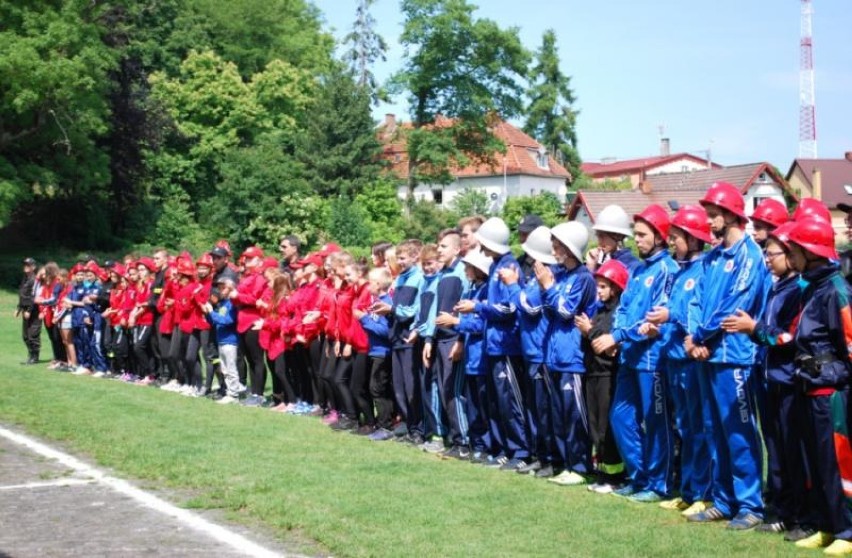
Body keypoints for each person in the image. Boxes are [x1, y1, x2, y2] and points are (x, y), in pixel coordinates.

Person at [720, 222, 812, 539]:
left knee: (792, 450)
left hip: (790, 382)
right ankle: (781, 510)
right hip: (770, 377)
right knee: (775, 447)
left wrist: (754, 329)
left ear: (790, 255)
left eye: (772, 253)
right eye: (767, 252)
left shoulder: (798, 291)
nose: (767, 258)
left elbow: (789, 337)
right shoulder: (775, 287)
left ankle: (801, 517)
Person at [686, 182, 769, 530]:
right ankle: (723, 500)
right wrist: (692, 337)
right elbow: (695, 300)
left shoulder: (750, 257)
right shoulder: (711, 257)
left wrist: (702, 335)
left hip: (735, 357)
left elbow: (735, 304)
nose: (708, 221)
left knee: (738, 431)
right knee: (713, 429)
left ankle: (751, 505)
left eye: (713, 214)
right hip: (707, 355)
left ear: (732, 214)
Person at [593, 204, 679, 503]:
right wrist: (617, 334)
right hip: (631, 356)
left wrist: (618, 335)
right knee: (620, 417)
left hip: (653, 360)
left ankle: (659, 484)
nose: (637, 239)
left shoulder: (668, 270)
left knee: (656, 423)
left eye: (643, 235)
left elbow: (654, 319)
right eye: (637, 234)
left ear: (660, 237)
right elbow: (624, 308)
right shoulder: (640, 270)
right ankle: (639, 476)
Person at [782, 218, 852, 554]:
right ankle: (826, 525)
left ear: (810, 252)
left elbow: (848, 346)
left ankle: (847, 531)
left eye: (792, 250)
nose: (788, 256)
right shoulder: (812, 288)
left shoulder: (837, 289)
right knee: (817, 464)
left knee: (838, 464)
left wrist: (829, 377)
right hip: (807, 389)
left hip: (830, 395)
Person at [645, 205, 714, 514]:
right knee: (683, 427)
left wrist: (670, 315)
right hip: (672, 358)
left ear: (694, 239)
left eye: (676, 237)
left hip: (691, 362)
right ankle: (687, 490)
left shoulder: (703, 270)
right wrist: (657, 324)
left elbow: (700, 313)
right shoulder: (680, 271)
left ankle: (703, 492)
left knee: (699, 428)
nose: (671, 242)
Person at [456, 217, 528, 470]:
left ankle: (520, 452)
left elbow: (509, 308)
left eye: (485, 244)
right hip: (495, 345)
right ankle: (503, 449)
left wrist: (477, 306)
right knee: (498, 403)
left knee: (511, 402)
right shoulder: (498, 265)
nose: (482, 249)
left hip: (508, 346)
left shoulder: (509, 267)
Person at [537, 221, 598, 486]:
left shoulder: (583, 278)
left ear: (570, 247)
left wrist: (548, 287)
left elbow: (564, 311)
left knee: (574, 415)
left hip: (572, 357)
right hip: (554, 355)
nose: (553, 248)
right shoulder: (561, 275)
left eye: (558, 244)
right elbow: (549, 309)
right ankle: (566, 463)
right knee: (559, 415)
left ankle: (581, 465)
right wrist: (549, 289)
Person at [576, 259, 628, 493]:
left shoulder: (617, 313)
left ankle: (615, 477)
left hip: (608, 374)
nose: (598, 291)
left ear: (616, 288)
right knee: (596, 425)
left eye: (603, 286)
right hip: (593, 372)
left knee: (607, 426)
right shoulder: (598, 311)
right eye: (597, 286)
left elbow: (608, 345)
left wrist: (590, 330)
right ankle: (602, 472)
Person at [427, 229, 470, 459]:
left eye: (443, 246)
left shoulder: (463, 272)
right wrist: (429, 339)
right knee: (444, 390)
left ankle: (463, 442)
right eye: (438, 246)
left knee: (454, 391)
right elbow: (435, 308)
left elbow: (467, 307)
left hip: (455, 338)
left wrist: (461, 339)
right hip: (440, 339)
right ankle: (452, 438)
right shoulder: (442, 274)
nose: (439, 250)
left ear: (457, 249)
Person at [361, 267, 395, 441]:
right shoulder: (376, 301)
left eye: (370, 283)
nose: (367, 286)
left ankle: (385, 426)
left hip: (383, 353)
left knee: (378, 389)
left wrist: (363, 319)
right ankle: (383, 425)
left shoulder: (386, 303)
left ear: (379, 284)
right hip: (374, 351)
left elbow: (386, 332)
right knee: (375, 388)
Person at [204, 278, 245, 404]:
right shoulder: (223, 304)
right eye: (220, 288)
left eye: (224, 287)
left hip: (230, 340)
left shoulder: (232, 304)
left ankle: (234, 395)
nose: (220, 290)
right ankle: (229, 392)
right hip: (221, 339)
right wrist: (208, 313)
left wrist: (212, 312)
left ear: (231, 288)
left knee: (231, 368)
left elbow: (227, 321)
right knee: (225, 369)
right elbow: (215, 322)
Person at [586, 205, 640, 274]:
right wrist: (591, 267)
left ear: (617, 236)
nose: (599, 242)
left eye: (602, 236)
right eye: (598, 236)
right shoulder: (603, 262)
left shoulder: (631, 266)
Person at [17, 257, 41, 365]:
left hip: (34, 311)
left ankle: (34, 357)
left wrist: (29, 310)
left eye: (28, 265)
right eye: (25, 265)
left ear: (33, 267)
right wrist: (18, 308)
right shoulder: (25, 278)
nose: (26, 266)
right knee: (25, 335)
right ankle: (30, 355)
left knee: (33, 335)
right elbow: (23, 295)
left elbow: (33, 297)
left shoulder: (34, 280)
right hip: (25, 310)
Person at [516, 214, 544, 279]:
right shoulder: (520, 261)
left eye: (525, 235)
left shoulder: (548, 264)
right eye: (520, 234)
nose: (521, 239)